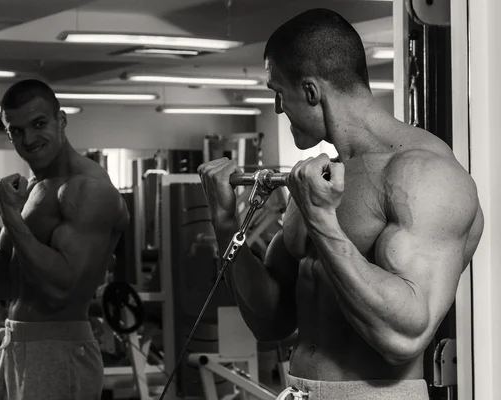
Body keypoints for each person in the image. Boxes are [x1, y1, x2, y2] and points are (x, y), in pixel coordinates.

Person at [198, 8, 483, 400]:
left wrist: (321, 220)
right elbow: (271, 321)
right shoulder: (323, 177)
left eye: (278, 93)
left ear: (312, 91)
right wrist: (225, 222)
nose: (278, 109)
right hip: (299, 390)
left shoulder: (424, 175)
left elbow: (405, 336)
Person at [0, 79, 129, 400]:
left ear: (61, 121)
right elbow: (6, 286)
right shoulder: (33, 188)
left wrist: (11, 217)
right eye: (16, 131)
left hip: (60, 349)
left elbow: (61, 289)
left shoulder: (88, 189)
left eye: (39, 124)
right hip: (16, 344)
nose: (28, 138)